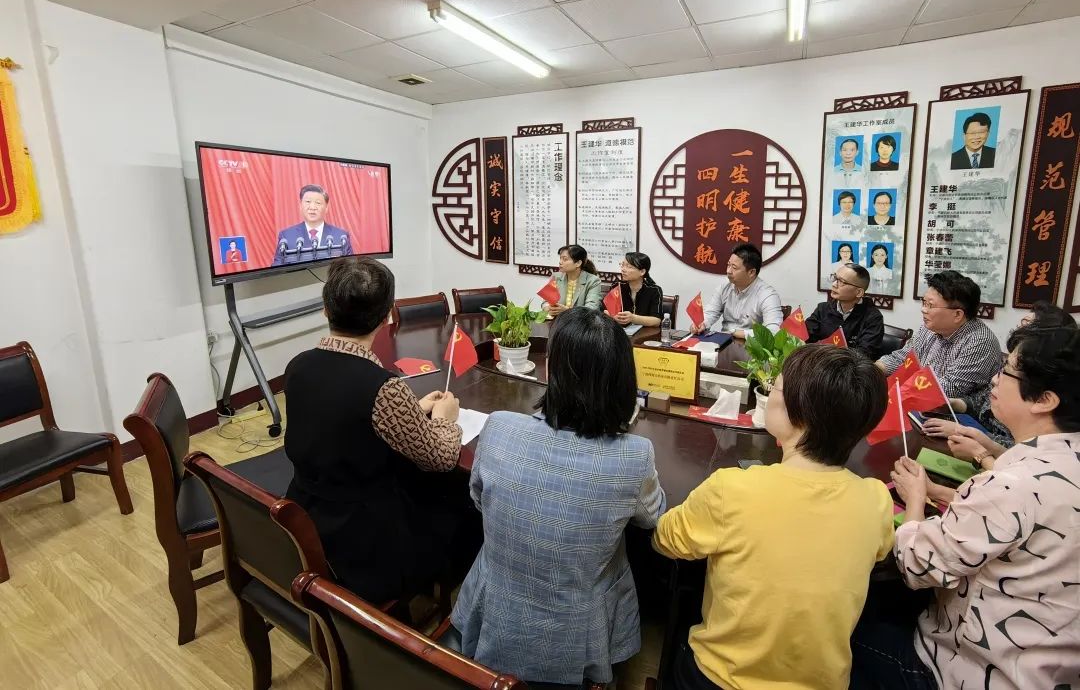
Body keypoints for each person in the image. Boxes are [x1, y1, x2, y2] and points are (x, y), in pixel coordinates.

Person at [851, 325, 1080, 690]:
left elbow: (915, 566)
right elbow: (1023, 518)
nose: (994, 379)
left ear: (1044, 400)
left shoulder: (1009, 485)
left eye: (1006, 370)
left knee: (846, 625)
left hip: (969, 669)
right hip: (1052, 667)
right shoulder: (1056, 464)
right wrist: (945, 491)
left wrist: (915, 500)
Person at [653, 344, 893, 690]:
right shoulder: (876, 499)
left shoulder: (732, 489)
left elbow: (665, 539)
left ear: (800, 416)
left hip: (722, 678)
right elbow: (883, 549)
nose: (767, 394)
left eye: (775, 388)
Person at [450, 308, 666, 687]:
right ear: (623, 381)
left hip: (495, 610)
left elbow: (480, 500)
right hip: (578, 632)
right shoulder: (634, 455)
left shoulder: (499, 427)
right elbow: (653, 517)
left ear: (550, 371)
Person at [283, 257, 478, 605]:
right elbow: (441, 459)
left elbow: (340, 420)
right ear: (387, 315)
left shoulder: (297, 365)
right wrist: (446, 418)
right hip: (366, 543)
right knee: (466, 504)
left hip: (307, 515)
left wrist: (411, 410)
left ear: (326, 309)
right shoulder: (383, 388)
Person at [922, 301, 1076, 460]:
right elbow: (983, 399)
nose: (995, 379)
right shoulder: (1013, 367)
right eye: (1021, 324)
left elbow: (1023, 450)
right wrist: (955, 404)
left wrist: (980, 446)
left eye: (1027, 327)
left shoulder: (1038, 384)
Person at [877, 270, 1000, 412]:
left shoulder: (980, 342)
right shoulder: (929, 328)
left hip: (953, 417)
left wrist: (898, 392)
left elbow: (948, 389)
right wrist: (873, 370)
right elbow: (902, 359)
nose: (923, 310)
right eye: (924, 302)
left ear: (957, 314)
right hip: (915, 404)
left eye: (930, 305)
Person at [690, 242, 783, 339]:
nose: (728, 271)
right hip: (725, 342)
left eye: (734, 267)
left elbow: (773, 332)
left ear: (751, 272)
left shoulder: (768, 295)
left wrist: (735, 332)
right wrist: (701, 323)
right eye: (728, 265)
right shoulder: (724, 288)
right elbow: (711, 313)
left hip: (751, 345)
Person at [806, 263, 884, 358]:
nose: (834, 284)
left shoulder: (873, 318)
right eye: (835, 278)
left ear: (859, 292)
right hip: (818, 361)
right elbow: (805, 337)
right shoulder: (823, 308)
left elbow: (864, 355)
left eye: (842, 282)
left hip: (849, 366)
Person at [271, 184, 353, 266]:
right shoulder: (287, 236)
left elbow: (350, 268)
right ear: (300, 205)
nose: (312, 207)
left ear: (326, 207)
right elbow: (277, 269)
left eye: (318, 203)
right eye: (308, 202)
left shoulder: (341, 236)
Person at [546, 244, 602, 315]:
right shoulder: (556, 277)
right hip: (557, 319)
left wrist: (567, 311)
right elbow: (545, 301)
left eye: (565, 259)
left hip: (581, 321)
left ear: (578, 263)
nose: (560, 262)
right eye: (560, 258)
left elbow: (591, 309)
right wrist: (548, 308)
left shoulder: (593, 281)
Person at [613, 251, 663, 327]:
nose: (623, 269)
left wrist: (633, 318)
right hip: (620, 330)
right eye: (622, 265)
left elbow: (656, 321)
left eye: (629, 267)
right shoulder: (617, 286)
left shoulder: (654, 290)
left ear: (642, 272)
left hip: (645, 332)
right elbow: (605, 310)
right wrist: (613, 316)